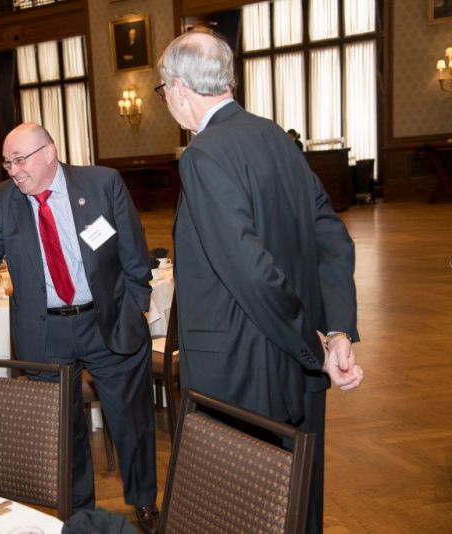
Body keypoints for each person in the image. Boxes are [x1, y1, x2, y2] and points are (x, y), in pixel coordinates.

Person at [157, 31, 364, 533]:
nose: (166, 101)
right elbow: (332, 237)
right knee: (298, 503)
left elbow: (249, 270)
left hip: (239, 371)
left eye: (163, 90)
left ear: (179, 87)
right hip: (296, 368)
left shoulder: (203, 155)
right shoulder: (274, 136)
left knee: (243, 509)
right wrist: (336, 329)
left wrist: (314, 347)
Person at [0, 123, 160, 534]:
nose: (13, 171)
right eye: (7, 163)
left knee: (131, 420)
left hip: (107, 322)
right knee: (62, 431)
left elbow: (133, 249)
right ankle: (79, 514)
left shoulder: (101, 184)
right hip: (45, 332)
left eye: (20, 161)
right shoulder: (1, 201)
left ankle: (144, 499)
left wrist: (136, 306)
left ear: (48, 153)